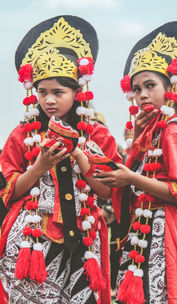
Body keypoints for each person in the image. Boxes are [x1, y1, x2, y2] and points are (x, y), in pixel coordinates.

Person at [0, 15, 121, 304]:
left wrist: (79, 152)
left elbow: (107, 191)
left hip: (84, 240)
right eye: (42, 92)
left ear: (77, 93)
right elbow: (9, 193)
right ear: (34, 93)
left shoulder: (98, 135)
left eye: (58, 92)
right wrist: (40, 167)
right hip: (32, 241)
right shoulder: (22, 134)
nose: (49, 100)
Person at [94, 21, 177, 304]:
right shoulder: (155, 130)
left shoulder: (174, 130)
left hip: (168, 235)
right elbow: (139, 174)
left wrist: (130, 178)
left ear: (169, 86)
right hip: (147, 231)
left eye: (150, 86)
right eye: (136, 89)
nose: (141, 95)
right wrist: (139, 138)